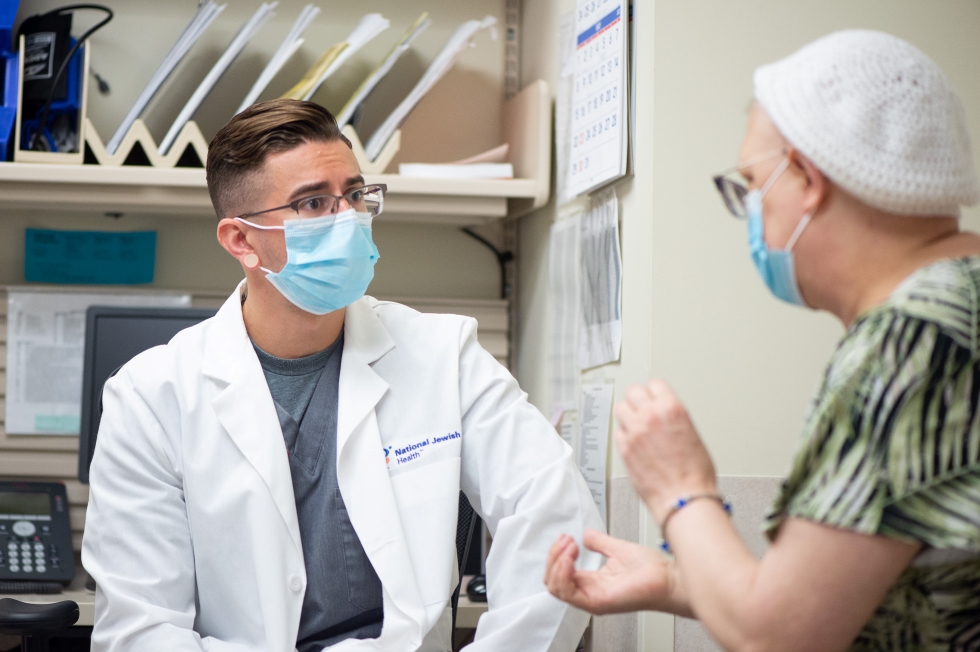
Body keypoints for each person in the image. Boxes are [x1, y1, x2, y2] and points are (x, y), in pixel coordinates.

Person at [82, 99, 602, 652]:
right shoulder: (151, 396)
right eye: (312, 203)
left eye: (354, 195)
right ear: (241, 240)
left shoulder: (443, 355)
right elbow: (139, 633)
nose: (347, 219)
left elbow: (561, 521)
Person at [544, 30, 980, 651]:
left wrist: (679, 487)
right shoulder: (961, 304)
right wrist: (676, 576)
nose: (751, 211)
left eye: (751, 184)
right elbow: (850, 592)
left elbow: (777, 637)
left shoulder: (911, 342)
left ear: (807, 177)